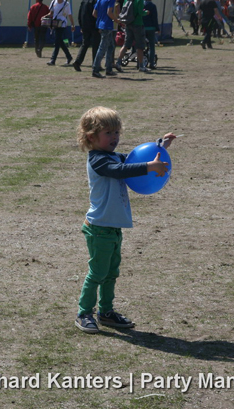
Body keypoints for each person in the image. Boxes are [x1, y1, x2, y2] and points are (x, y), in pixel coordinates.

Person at [74, 106, 175, 334]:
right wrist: (149, 166)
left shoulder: (112, 156)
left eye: (117, 132)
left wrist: (160, 147)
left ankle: (106, 312)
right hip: (99, 229)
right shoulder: (98, 160)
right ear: (92, 136)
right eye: (108, 133)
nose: (115, 138)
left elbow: (130, 159)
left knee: (111, 273)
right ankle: (84, 313)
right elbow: (120, 169)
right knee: (97, 273)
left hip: (113, 228)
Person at [115, 0, 148, 72]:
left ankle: (118, 62)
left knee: (126, 44)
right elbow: (141, 12)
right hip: (138, 24)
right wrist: (146, 12)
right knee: (140, 46)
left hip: (128, 23)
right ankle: (141, 66)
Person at [91, 0, 120, 78]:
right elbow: (109, 12)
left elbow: (94, 13)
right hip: (107, 26)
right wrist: (116, 20)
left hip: (101, 25)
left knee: (111, 46)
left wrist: (100, 20)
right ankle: (95, 69)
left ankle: (109, 69)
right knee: (102, 48)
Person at [72, 0, 102, 71]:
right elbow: (97, 14)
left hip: (85, 26)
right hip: (94, 26)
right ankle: (95, 64)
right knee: (96, 45)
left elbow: (80, 13)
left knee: (85, 44)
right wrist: (99, 25)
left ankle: (77, 62)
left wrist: (81, 25)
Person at [46, 0, 75, 66]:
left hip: (62, 24)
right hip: (55, 24)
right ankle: (69, 57)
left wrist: (72, 24)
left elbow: (69, 15)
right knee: (59, 41)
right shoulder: (53, 2)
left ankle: (53, 60)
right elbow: (51, 13)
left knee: (57, 41)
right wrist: (45, 16)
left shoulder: (66, 4)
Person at [142, 0, 159, 69]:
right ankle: (151, 63)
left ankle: (141, 62)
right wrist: (157, 28)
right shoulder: (153, 6)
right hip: (151, 28)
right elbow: (154, 18)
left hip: (142, 27)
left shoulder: (141, 4)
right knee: (152, 46)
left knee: (141, 45)